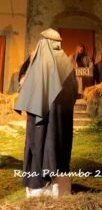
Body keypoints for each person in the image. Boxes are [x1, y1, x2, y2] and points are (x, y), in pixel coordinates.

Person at [14, 28, 78, 197]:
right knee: (58, 149)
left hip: (41, 123)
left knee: (41, 148)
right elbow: (73, 93)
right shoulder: (67, 64)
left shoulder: (40, 64)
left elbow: (28, 94)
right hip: (60, 123)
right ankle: (58, 188)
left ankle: (38, 189)